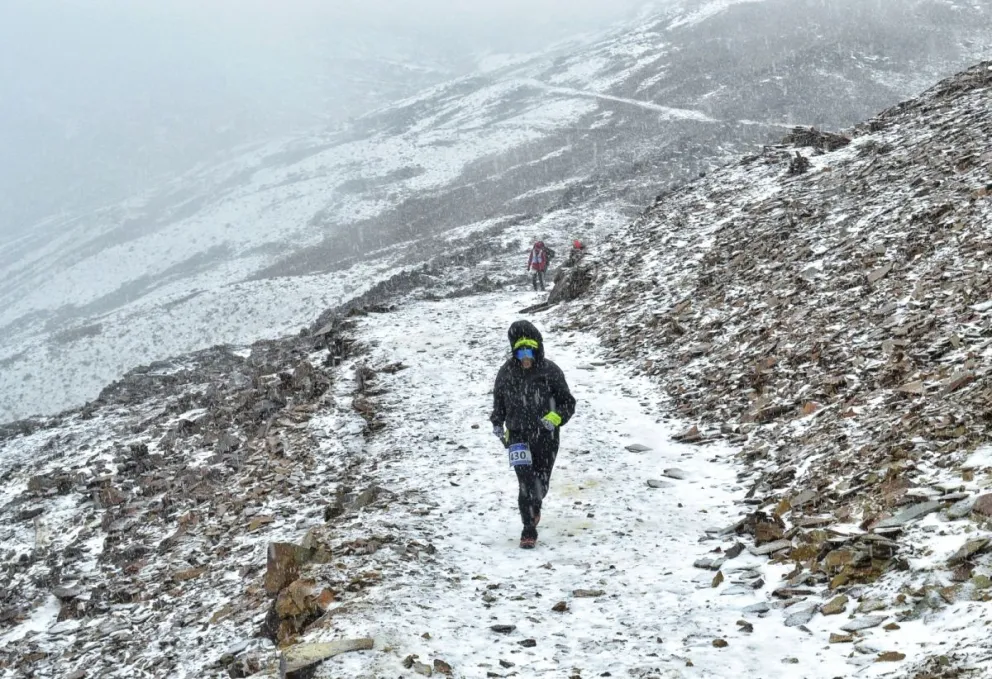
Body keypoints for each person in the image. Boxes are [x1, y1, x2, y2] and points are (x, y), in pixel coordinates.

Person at [490, 320, 576, 548]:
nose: (525, 357)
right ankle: (528, 529)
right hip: (517, 435)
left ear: (537, 349)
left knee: (540, 482)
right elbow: (498, 403)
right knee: (525, 482)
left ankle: (535, 505)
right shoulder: (506, 373)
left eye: (529, 351)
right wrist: (497, 423)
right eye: (520, 352)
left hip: (545, 436)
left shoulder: (550, 371)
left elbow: (567, 403)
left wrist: (554, 418)